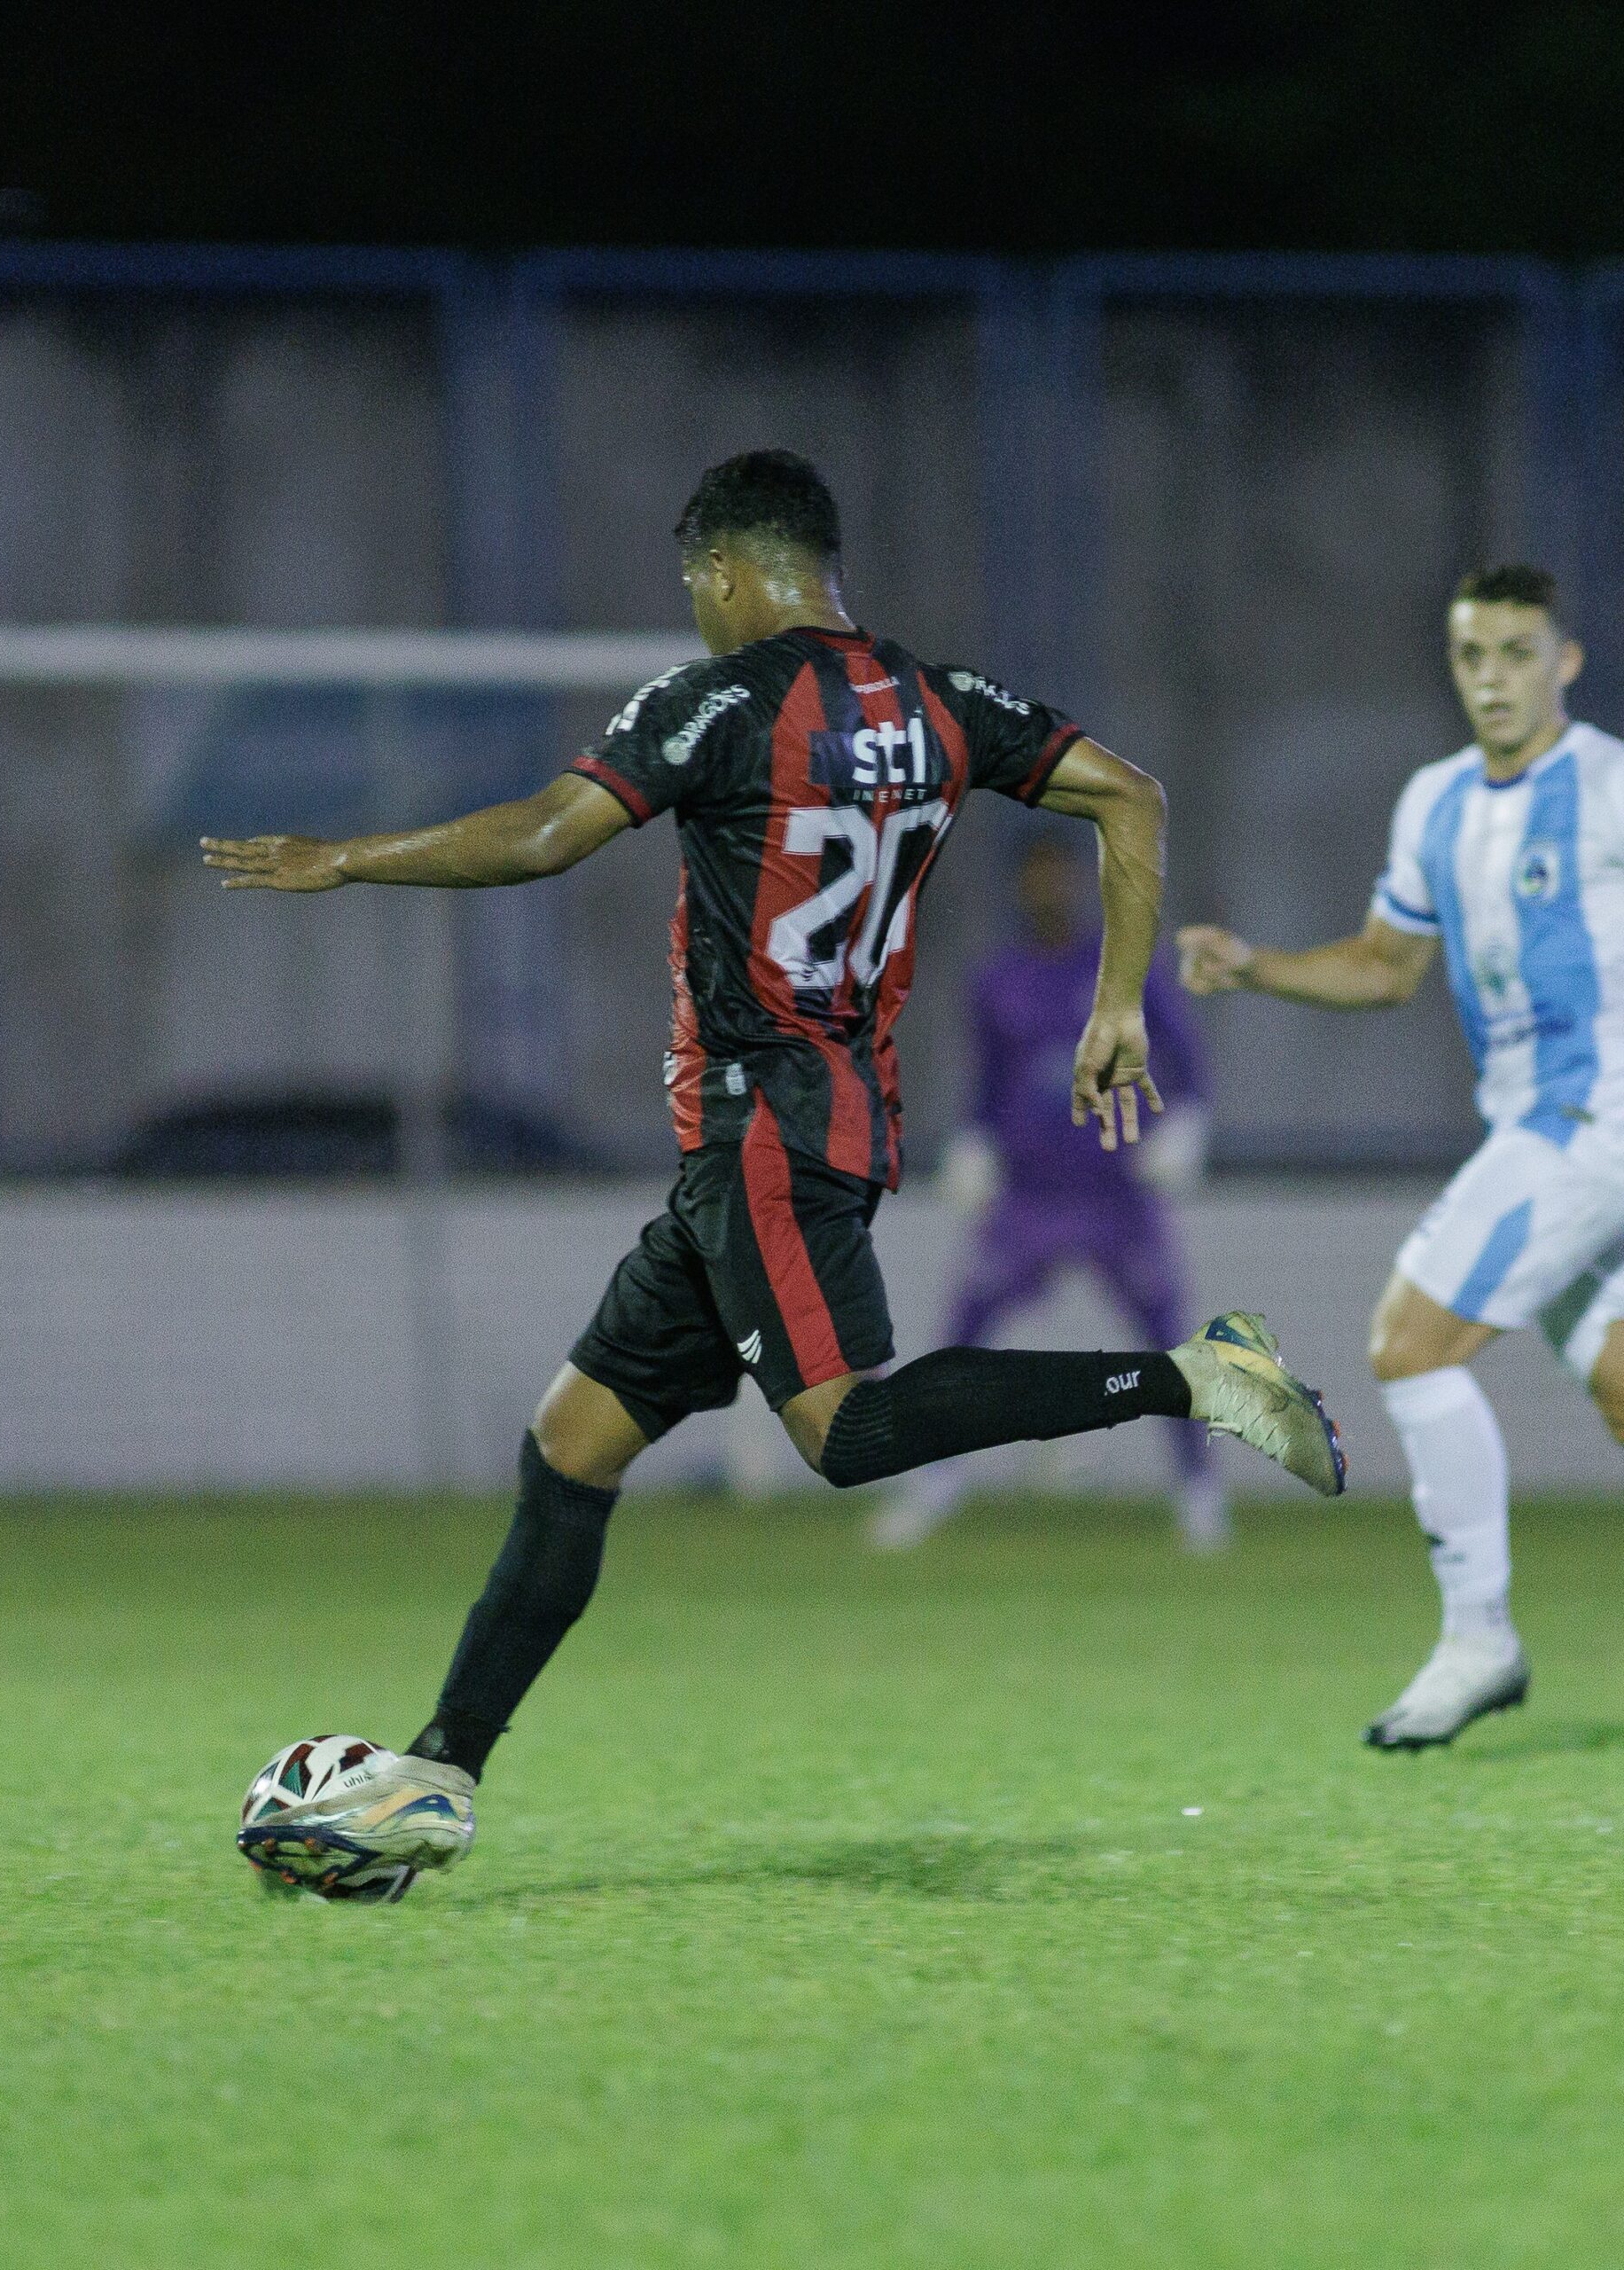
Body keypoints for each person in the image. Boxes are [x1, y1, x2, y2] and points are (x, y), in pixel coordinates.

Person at [204, 449, 1342, 1895]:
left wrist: (348, 860)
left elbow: (546, 835)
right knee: (572, 1445)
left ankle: (1190, 1377)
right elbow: (1130, 795)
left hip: (769, 1123)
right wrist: (1117, 1001)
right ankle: (438, 1776)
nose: (696, 609)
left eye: (696, 586)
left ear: (727, 571)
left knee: (844, 1433)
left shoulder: (718, 702)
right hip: (806, 1125)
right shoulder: (939, 701)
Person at [1180, 563, 1624, 1749]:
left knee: (1408, 1341)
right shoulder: (1435, 802)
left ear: (1565, 662)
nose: (1493, 678)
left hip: (1594, 1119)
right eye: (1472, 655)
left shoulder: (1608, 784)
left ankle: (1478, 1640)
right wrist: (1256, 965)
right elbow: (1384, 967)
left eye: (1518, 653)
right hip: (1534, 1124)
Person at [871, 832, 1226, 1551]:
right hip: (1029, 1198)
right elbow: (987, 1083)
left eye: (1059, 875)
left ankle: (1199, 1493)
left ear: (1080, 882)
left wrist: (1187, 1126)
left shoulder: (1124, 970)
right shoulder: (998, 981)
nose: (1048, 889)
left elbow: (1185, 1061)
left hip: (1114, 1194)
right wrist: (975, 1144)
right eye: (1036, 876)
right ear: (1018, 886)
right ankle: (933, 1482)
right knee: (962, 1336)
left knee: (1168, 1342)